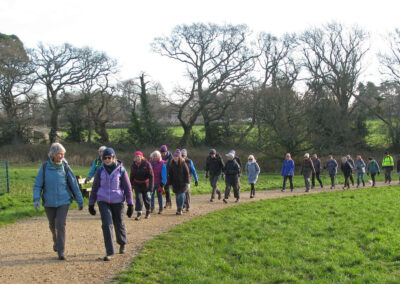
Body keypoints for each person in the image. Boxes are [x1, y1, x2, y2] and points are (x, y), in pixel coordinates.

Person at [33, 143, 84, 261]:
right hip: (49, 202)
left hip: (63, 201)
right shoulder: (45, 167)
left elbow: (74, 185)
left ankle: (61, 251)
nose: (61, 156)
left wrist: (80, 200)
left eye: (63, 154)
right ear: (52, 154)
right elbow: (37, 185)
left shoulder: (65, 167)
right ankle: (56, 241)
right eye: (59, 154)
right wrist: (36, 199)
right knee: (52, 225)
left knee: (60, 225)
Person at [89, 148, 134, 261]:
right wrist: (91, 203)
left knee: (119, 223)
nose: (107, 160)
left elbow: (128, 188)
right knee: (107, 224)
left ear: (114, 158)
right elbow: (95, 187)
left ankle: (122, 242)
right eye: (105, 158)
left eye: (109, 157)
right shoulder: (100, 170)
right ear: (102, 159)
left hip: (117, 201)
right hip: (103, 200)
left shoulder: (121, 170)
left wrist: (130, 204)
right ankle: (110, 251)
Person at [130, 151, 154, 220]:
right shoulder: (133, 165)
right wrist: (130, 186)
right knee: (138, 198)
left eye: (138, 156)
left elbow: (151, 176)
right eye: (136, 156)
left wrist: (151, 187)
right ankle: (139, 213)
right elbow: (131, 176)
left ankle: (148, 211)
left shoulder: (147, 164)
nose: (137, 158)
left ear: (141, 157)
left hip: (146, 185)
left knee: (146, 199)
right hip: (137, 185)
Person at [167, 149, 190, 215]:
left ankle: (180, 209)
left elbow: (187, 174)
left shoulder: (183, 164)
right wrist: (170, 184)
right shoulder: (172, 164)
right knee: (177, 197)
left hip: (183, 184)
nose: (175, 158)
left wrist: (187, 183)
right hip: (175, 184)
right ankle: (178, 208)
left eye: (177, 156)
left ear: (179, 157)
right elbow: (170, 175)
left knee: (181, 196)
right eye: (174, 156)